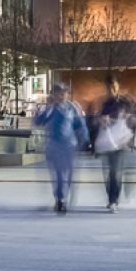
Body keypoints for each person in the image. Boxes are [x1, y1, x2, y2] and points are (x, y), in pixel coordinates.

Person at [35, 85, 87, 214]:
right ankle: (60, 199)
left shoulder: (72, 108)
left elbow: (80, 124)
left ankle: (62, 196)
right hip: (54, 145)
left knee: (68, 174)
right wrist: (48, 107)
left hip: (69, 145)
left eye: (63, 93)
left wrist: (86, 140)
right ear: (53, 95)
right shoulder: (50, 108)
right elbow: (39, 121)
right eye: (58, 94)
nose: (61, 96)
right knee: (59, 174)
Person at [94, 94, 136, 211]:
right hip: (108, 147)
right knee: (109, 174)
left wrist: (130, 142)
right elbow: (99, 129)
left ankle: (114, 200)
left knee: (116, 174)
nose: (122, 112)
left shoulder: (128, 118)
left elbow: (132, 130)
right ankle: (111, 198)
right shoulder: (108, 116)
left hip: (120, 148)